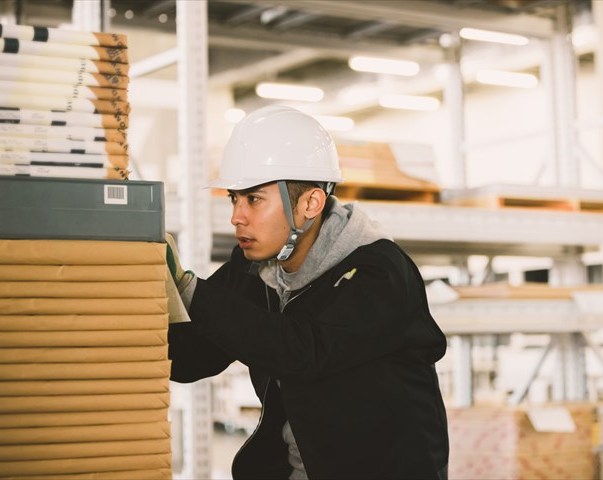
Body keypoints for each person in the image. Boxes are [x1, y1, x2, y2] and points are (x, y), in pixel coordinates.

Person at [166, 105, 449, 479]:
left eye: (253, 199)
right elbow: (193, 357)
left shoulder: (378, 272)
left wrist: (189, 288)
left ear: (309, 204)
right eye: (234, 198)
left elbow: (302, 350)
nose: (236, 215)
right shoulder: (255, 267)